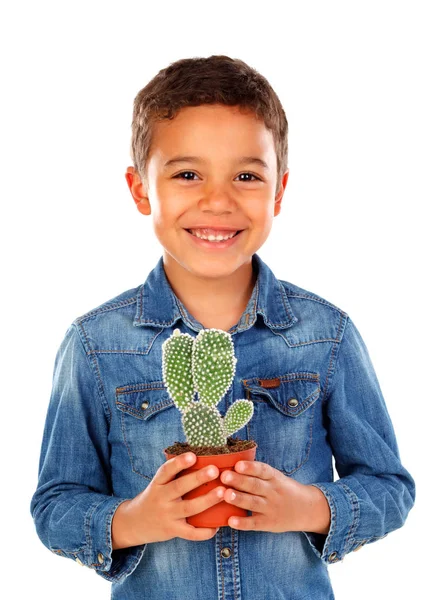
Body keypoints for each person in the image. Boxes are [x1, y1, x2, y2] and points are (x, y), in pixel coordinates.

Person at [30, 55, 416, 600]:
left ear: (279, 190)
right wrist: (137, 519)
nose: (218, 200)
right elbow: (55, 505)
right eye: (188, 174)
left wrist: (309, 507)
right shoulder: (95, 344)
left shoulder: (326, 335)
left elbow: (389, 488)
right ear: (140, 189)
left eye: (246, 176)